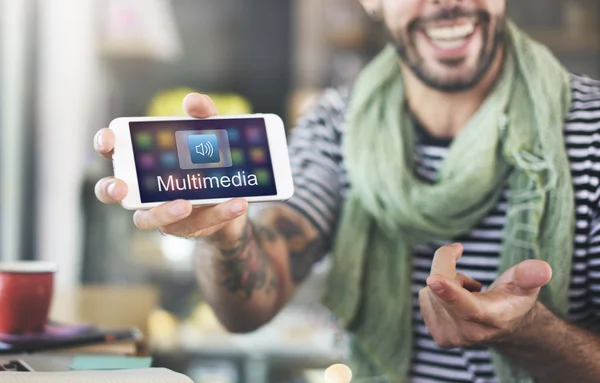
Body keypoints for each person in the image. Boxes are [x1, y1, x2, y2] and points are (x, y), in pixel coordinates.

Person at [93, 0, 600, 382]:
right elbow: (249, 306)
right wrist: (226, 236)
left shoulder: (592, 127)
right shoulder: (335, 124)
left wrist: (532, 332)